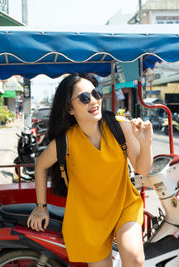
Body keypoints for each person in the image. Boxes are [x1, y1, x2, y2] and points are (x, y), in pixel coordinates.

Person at [27, 73, 153, 267]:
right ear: (69, 108)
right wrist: (40, 207)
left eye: (96, 94)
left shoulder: (120, 126)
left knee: (134, 257)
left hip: (124, 206)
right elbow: (41, 166)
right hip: (87, 219)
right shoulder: (66, 141)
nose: (93, 101)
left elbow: (142, 169)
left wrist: (146, 144)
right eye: (84, 98)